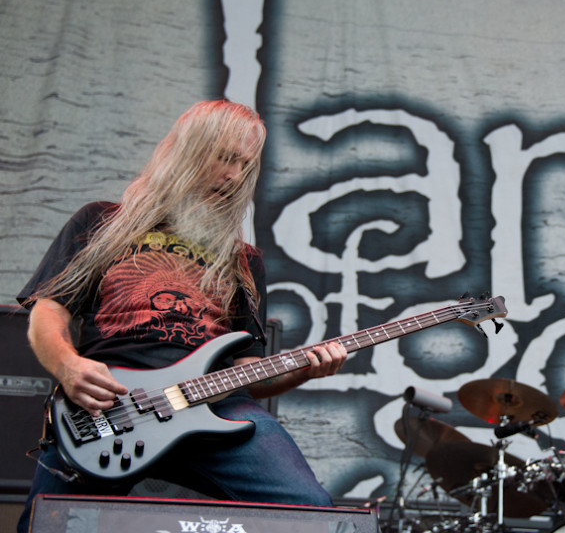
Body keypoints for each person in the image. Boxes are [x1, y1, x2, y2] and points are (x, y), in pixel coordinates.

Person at [15, 100, 348, 532]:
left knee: (312, 513)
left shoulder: (244, 262)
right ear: (188, 151)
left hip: (216, 404)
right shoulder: (102, 222)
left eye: (245, 166)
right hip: (112, 402)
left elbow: (251, 372)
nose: (234, 177)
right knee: (49, 523)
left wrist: (304, 370)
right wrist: (68, 366)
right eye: (225, 158)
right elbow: (49, 310)